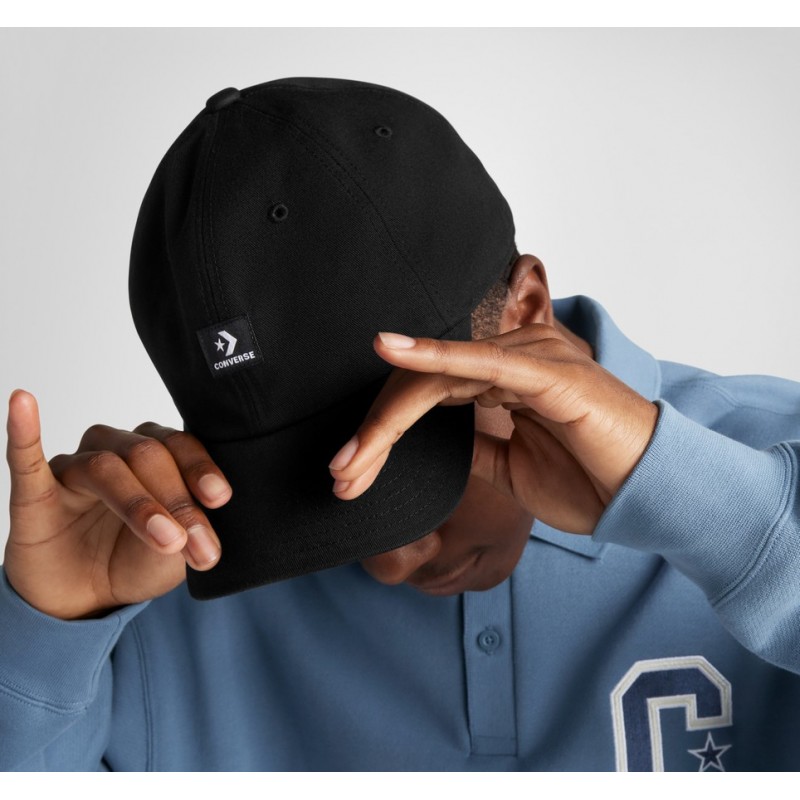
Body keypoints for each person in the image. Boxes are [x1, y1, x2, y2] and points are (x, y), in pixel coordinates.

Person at [2, 77, 800, 772]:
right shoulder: (165, 591)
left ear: (523, 310)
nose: (387, 564)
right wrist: (43, 641)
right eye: (298, 490)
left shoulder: (769, 473)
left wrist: (738, 530)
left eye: (409, 452)